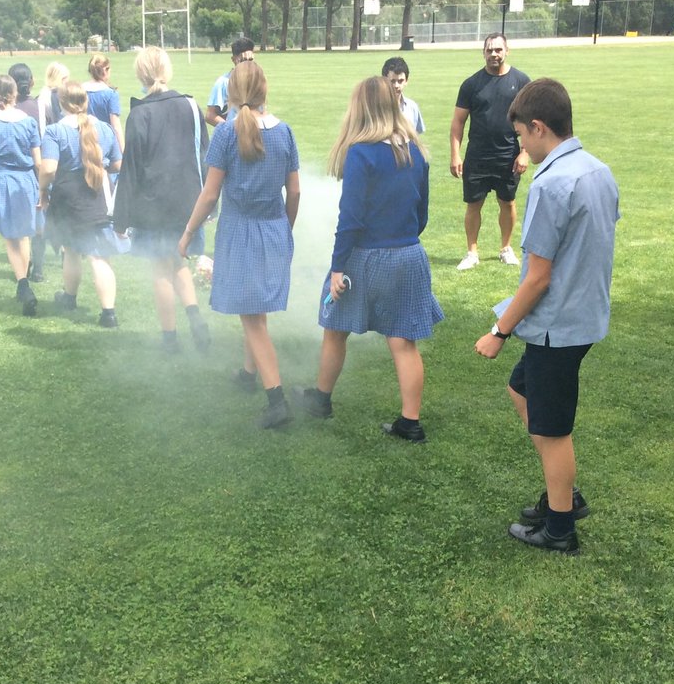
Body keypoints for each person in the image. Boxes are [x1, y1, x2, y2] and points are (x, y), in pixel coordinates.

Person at [474, 78, 619, 556]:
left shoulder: (553, 182)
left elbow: (537, 278)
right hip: (582, 316)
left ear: (539, 128)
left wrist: (499, 330)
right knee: (522, 392)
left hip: (559, 326)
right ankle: (565, 495)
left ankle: (560, 528)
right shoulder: (597, 170)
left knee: (551, 429)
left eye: (521, 136)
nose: (520, 146)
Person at [297, 76, 442, 443]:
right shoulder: (415, 150)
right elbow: (421, 214)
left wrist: (337, 268)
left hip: (365, 257)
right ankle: (411, 422)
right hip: (410, 254)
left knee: (334, 326)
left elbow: (351, 219)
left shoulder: (361, 153)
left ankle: (321, 400)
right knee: (403, 341)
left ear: (359, 107)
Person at [179, 61, 301, 428]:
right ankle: (249, 374)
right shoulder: (285, 132)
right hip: (273, 229)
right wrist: (285, 228)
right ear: (265, 90)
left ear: (231, 93)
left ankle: (276, 400)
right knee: (256, 311)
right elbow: (294, 191)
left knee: (252, 319)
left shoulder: (226, 135)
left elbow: (209, 194)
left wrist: (187, 233)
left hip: (241, 232)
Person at [113, 46, 213, 354]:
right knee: (179, 263)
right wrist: (209, 205)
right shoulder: (191, 105)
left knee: (161, 269)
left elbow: (130, 170)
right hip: (188, 203)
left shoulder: (140, 112)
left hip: (154, 206)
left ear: (140, 75)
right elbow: (205, 158)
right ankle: (196, 319)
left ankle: (170, 339)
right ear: (167, 71)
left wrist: (121, 218)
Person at [39, 81, 123, 328]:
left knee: (72, 250)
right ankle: (108, 313)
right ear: (85, 102)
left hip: (67, 198)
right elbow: (117, 164)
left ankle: (70, 298)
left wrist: (42, 189)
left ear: (61, 103)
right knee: (100, 256)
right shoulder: (105, 129)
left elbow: (49, 169)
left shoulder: (55, 131)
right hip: (97, 196)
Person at [450, 33, 531, 270]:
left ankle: (506, 248)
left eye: (498, 50)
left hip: (508, 154)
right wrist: (456, 154)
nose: (494, 54)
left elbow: (529, 120)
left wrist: (524, 152)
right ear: (483, 52)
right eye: (489, 50)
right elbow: (457, 123)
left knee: (507, 202)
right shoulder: (471, 84)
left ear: (507, 51)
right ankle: (471, 252)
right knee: (474, 204)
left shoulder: (522, 81)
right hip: (477, 155)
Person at [0, 74, 42, 317]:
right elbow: (38, 161)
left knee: (9, 237)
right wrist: (42, 189)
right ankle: (22, 282)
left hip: (2, 179)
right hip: (26, 180)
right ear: (15, 94)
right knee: (24, 235)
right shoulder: (29, 122)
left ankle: (23, 284)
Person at [8, 62, 50, 283]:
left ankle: (24, 266)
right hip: (40, 167)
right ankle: (39, 268)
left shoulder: (8, 112)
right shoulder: (42, 107)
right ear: (32, 82)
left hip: (16, 170)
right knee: (39, 221)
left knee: (20, 223)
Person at [206, 37, 255, 127]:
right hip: (233, 135)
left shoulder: (257, 81)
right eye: (243, 60)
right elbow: (210, 115)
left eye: (250, 60)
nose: (247, 64)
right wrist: (230, 129)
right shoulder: (224, 82)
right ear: (233, 60)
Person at [83, 54, 124, 156]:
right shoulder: (111, 94)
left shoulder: (80, 90)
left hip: (84, 141)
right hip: (106, 144)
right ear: (106, 70)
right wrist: (123, 151)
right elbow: (116, 127)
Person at [381, 56, 425, 135]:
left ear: (406, 81)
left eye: (400, 81)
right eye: (392, 81)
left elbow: (416, 137)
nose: (396, 85)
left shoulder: (412, 107)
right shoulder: (376, 109)